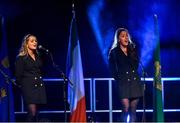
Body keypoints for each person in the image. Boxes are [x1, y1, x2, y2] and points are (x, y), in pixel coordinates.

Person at [108, 28, 143, 122]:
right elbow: (112, 70)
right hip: (123, 84)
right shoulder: (114, 52)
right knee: (126, 108)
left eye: (127, 35)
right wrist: (119, 79)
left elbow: (135, 66)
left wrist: (132, 51)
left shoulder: (132, 50)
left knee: (133, 111)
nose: (126, 38)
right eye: (123, 36)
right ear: (119, 39)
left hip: (135, 83)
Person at [15, 34, 47, 122]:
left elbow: (41, 71)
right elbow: (18, 76)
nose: (35, 42)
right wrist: (24, 87)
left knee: (36, 113)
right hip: (28, 88)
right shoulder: (21, 58)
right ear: (26, 43)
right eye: (32, 41)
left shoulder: (38, 56)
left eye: (36, 41)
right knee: (32, 112)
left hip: (39, 87)